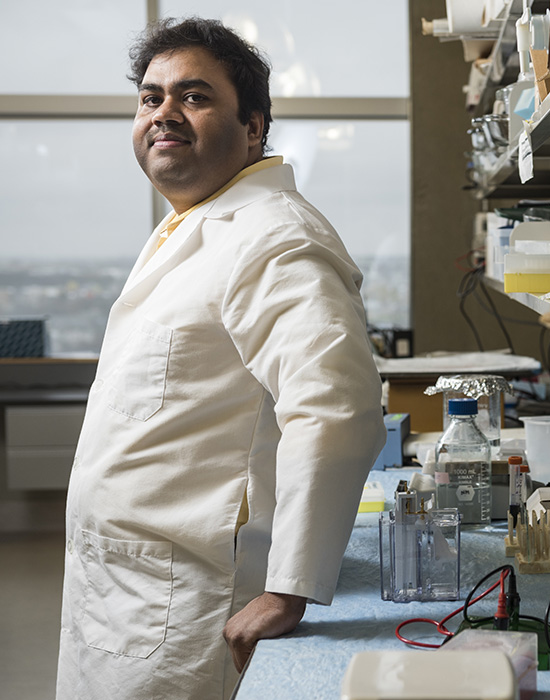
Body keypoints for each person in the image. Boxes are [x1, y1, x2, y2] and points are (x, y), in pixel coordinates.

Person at [56, 17, 385, 700]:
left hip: (183, 605)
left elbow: (335, 410)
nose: (164, 113)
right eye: (151, 98)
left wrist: (289, 588)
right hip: (118, 591)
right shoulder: (190, 224)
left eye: (195, 96)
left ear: (254, 127)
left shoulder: (274, 236)